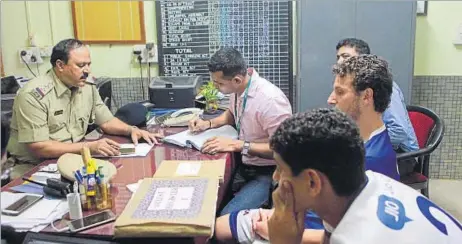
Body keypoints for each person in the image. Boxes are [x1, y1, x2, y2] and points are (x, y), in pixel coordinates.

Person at [214, 54, 399, 243]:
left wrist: (283, 233)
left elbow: (350, 236)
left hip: (302, 232)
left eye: (340, 92)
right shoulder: (350, 139)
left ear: (366, 96)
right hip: (296, 217)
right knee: (220, 226)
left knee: (218, 230)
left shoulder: (373, 162)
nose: (331, 99)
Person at [218, 108, 462, 244]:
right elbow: (329, 236)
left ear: (313, 182)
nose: (275, 177)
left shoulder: (359, 237)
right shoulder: (373, 183)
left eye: (281, 168)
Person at [6, 38, 162, 179]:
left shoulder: (86, 86)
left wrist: (132, 130)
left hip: (76, 159)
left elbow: (107, 121)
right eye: (81, 65)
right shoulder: (33, 95)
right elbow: (40, 147)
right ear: (60, 65)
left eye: (88, 64)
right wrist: (88, 147)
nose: (87, 71)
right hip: (36, 168)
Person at [189, 47, 292, 216]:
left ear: (237, 79)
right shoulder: (238, 90)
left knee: (226, 218)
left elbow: (282, 150)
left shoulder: (270, 101)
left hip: (269, 173)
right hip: (244, 166)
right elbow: (232, 114)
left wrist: (237, 145)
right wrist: (207, 124)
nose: (215, 87)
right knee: (205, 200)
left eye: (219, 83)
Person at [336, 37, 419, 176]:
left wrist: (362, 144)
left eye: (346, 56)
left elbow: (399, 132)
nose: (340, 61)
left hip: (402, 156)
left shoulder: (383, 86)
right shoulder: (352, 86)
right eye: (338, 57)